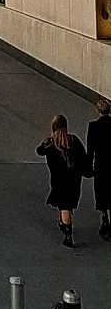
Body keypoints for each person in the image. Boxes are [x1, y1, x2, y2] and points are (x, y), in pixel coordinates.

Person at [38, 113, 90, 247]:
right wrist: (87, 171)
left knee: (64, 206)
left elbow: (39, 151)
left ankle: (68, 235)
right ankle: (63, 222)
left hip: (58, 179)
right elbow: (83, 158)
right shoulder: (73, 140)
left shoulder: (51, 143)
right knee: (67, 204)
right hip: (74, 179)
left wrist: (46, 142)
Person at [89, 97, 111, 239]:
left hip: (101, 164)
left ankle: (104, 217)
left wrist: (88, 166)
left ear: (98, 110)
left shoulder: (93, 126)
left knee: (102, 191)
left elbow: (90, 148)